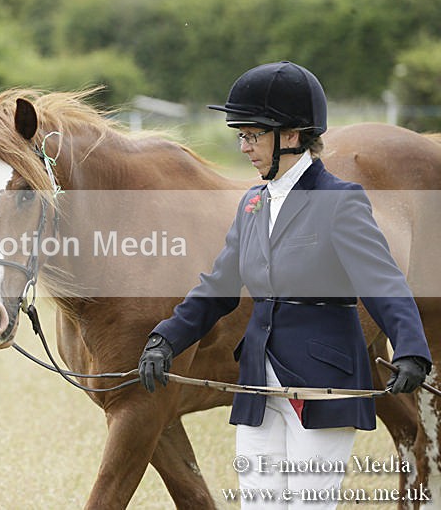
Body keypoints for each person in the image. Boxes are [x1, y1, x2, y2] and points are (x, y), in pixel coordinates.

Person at [137, 61, 432, 508]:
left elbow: (382, 279)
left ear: (291, 136)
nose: (243, 146)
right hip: (258, 379)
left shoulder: (339, 200)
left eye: (252, 135)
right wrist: (165, 338)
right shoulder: (253, 202)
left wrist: (410, 348)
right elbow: (218, 286)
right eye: (241, 135)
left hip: (323, 382)